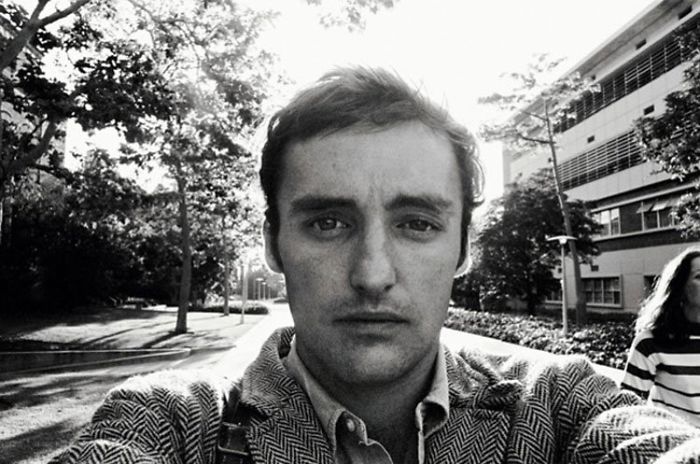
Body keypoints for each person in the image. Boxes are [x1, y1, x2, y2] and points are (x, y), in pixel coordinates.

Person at [51, 67, 700, 464]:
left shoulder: (557, 403)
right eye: (327, 222)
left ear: (464, 248)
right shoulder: (174, 421)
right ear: (274, 244)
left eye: (417, 223)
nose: (372, 274)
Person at [621, 246, 700, 427]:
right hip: (676, 440)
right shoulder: (650, 343)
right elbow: (627, 410)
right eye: (699, 276)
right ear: (680, 288)